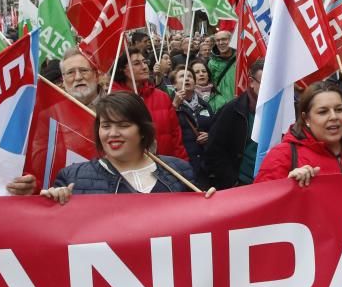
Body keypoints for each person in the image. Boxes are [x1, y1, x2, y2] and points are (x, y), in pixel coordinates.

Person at [41, 92, 210, 201]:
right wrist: (55, 202)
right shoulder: (73, 177)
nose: (113, 133)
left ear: (142, 130)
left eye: (123, 125)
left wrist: (212, 204)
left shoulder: (180, 171)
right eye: (106, 126)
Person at [254, 82, 342, 185]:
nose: (333, 117)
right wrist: (287, 185)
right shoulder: (283, 155)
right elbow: (260, 207)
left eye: (338, 109)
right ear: (306, 118)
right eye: (323, 112)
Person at [112, 49, 190, 160]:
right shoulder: (113, 100)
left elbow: (176, 136)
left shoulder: (162, 97)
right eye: (137, 64)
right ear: (122, 69)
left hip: (166, 166)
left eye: (144, 62)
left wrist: (182, 165)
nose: (144, 67)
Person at [202, 60, 263, 189]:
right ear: (251, 82)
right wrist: (233, 182)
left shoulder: (284, 109)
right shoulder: (233, 110)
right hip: (243, 186)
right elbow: (214, 151)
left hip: (274, 183)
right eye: (265, 82)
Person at [171, 66, 214, 178]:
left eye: (190, 76)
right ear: (174, 85)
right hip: (185, 160)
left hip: (205, 161)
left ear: (194, 83)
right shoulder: (169, 104)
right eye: (182, 76)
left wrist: (210, 135)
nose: (187, 79)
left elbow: (214, 127)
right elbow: (167, 128)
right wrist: (174, 106)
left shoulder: (204, 105)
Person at [207, 30, 237, 111]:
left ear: (231, 41)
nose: (221, 42)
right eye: (218, 40)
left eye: (224, 39)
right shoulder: (211, 63)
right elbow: (210, 86)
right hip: (221, 107)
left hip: (240, 103)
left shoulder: (240, 58)